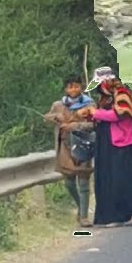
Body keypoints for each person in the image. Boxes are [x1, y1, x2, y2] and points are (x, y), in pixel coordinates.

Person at [79, 66, 132, 227]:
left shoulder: (122, 94)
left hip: (124, 142)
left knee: (128, 179)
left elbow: (119, 114)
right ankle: (113, 215)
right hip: (106, 143)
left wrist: (95, 113)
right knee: (109, 179)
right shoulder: (104, 99)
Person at [44, 77, 96, 227]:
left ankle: (84, 216)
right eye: (70, 87)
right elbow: (46, 119)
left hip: (83, 144)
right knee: (69, 182)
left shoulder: (89, 104)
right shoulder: (58, 105)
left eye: (76, 87)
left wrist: (75, 126)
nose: (73, 90)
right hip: (65, 148)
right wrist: (55, 117)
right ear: (66, 90)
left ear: (81, 88)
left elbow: (94, 124)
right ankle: (80, 206)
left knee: (84, 182)